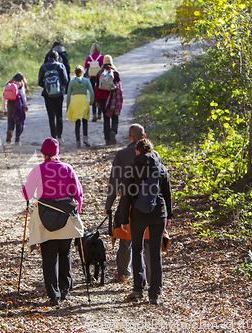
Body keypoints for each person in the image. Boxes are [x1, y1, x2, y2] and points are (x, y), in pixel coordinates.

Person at [22, 138, 84, 306]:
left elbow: (27, 194)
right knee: (65, 253)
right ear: (57, 153)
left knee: (49, 257)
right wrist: (76, 213)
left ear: (43, 154)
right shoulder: (67, 168)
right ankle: (65, 289)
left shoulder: (38, 169)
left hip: (44, 218)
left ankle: (53, 295)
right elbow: (77, 194)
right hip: (66, 218)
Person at [120, 138, 173, 305]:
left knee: (137, 248)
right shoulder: (160, 167)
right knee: (155, 253)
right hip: (159, 212)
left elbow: (126, 196)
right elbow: (167, 193)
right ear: (151, 151)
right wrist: (169, 216)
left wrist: (123, 218)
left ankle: (138, 289)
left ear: (137, 152)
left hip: (138, 213)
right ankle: (154, 294)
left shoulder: (132, 169)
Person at [104, 124, 146, 282]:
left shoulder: (121, 155)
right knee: (146, 240)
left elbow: (114, 183)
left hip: (127, 203)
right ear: (144, 136)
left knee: (125, 239)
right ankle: (145, 274)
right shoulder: (154, 154)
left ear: (129, 137)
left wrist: (108, 206)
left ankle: (123, 273)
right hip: (148, 203)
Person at [38, 51, 69, 141]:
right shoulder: (60, 66)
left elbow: (40, 82)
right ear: (57, 58)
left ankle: (53, 136)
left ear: (48, 58)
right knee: (59, 115)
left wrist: (47, 87)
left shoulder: (43, 67)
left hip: (48, 95)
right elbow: (66, 80)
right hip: (59, 94)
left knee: (51, 116)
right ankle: (60, 136)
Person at [94, 55, 121, 145]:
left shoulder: (99, 73)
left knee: (106, 119)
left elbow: (97, 88)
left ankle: (107, 139)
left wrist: (97, 101)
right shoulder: (115, 73)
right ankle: (113, 130)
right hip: (112, 98)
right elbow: (119, 87)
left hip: (102, 99)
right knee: (115, 116)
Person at [66, 65, 94, 148]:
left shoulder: (72, 82)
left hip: (75, 102)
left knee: (77, 122)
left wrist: (68, 107)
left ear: (74, 73)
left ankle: (78, 141)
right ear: (83, 72)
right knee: (85, 121)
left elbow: (68, 96)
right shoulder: (86, 81)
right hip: (84, 101)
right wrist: (90, 102)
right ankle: (85, 138)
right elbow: (92, 92)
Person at [2, 73, 30, 145]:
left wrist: (4, 109)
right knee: (19, 122)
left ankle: (9, 131)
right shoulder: (19, 84)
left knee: (10, 121)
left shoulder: (8, 84)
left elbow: (3, 98)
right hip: (18, 105)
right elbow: (23, 96)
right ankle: (17, 140)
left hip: (10, 104)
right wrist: (25, 105)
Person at [84, 43, 104, 122]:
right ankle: (100, 113)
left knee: (93, 95)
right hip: (100, 78)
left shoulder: (89, 58)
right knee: (99, 94)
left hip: (91, 78)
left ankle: (94, 113)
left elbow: (85, 69)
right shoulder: (102, 57)